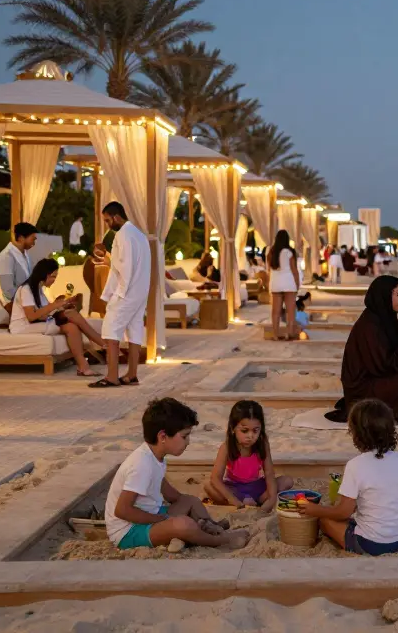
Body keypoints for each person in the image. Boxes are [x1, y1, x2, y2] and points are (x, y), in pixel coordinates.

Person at [106, 397, 249, 550]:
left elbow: (171, 494)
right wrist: (161, 520)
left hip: (150, 515)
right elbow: (122, 511)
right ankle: (221, 540)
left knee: (191, 501)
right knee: (183, 525)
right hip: (128, 531)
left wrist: (187, 506)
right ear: (162, 436)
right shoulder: (141, 464)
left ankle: (211, 527)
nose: (188, 442)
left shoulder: (154, 456)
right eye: (184, 436)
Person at [298, 399, 398, 556]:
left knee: (325, 521)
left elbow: (343, 512)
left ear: (356, 434)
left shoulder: (355, 465)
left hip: (372, 544)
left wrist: (316, 510)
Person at [325, 275, 398, 425]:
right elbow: (384, 365)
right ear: (384, 296)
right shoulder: (370, 325)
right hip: (365, 387)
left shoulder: (388, 319)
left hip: (382, 376)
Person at [11, 258, 108, 377]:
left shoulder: (38, 289)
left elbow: (45, 314)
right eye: (53, 276)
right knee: (71, 315)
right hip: (23, 326)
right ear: (44, 274)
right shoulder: (26, 289)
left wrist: (63, 305)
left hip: (37, 323)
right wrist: (55, 305)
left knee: (71, 325)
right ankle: (103, 343)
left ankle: (84, 367)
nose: (54, 280)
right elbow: (31, 317)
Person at [92, 201, 149, 388]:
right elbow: (127, 263)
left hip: (127, 292)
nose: (108, 225)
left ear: (116, 217)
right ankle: (131, 375)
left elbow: (125, 267)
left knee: (110, 330)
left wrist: (117, 294)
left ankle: (112, 377)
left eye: (108, 221)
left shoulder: (123, 235)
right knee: (134, 332)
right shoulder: (139, 234)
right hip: (140, 291)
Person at [204, 400, 293, 508]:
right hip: (235, 489)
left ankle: (258, 501)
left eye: (255, 431)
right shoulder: (227, 447)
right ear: (233, 428)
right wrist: (235, 501)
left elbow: (269, 473)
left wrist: (272, 498)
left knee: (287, 481)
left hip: (257, 486)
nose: (250, 436)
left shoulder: (262, 444)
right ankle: (244, 502)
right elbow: (215, 478)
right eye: (245, 431)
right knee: (208, 486)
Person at [267, 230, 300, 341]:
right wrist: (297, 284)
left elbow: (269, 270)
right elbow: (294, 270)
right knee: (290, 311)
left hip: (276, 283)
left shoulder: (271, 252)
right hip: (288, 283)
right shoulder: (289, 252)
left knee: (275, 311)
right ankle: (288, 333)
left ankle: (275, 334)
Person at [0, 222, 38, 306]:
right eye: (32, 239)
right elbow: (8, 291)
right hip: (17, 306)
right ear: (21, 238)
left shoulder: (25, 254)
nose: (34, 243)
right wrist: (29, 301)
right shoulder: (6, 257)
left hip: (29, 303)